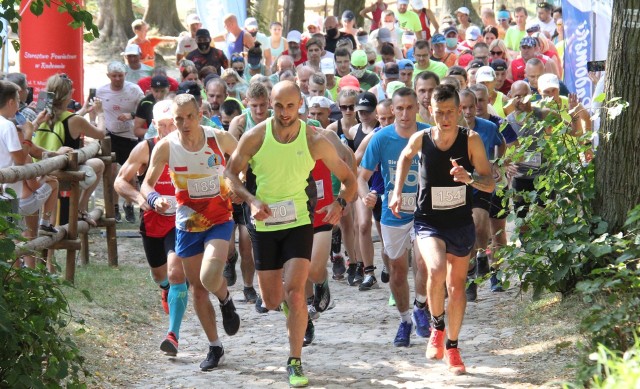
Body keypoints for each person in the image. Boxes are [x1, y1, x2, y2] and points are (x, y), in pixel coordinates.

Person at [224, 80, 356, 388]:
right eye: (279, 106)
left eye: (291, 106)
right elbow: (230, 173)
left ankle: (295, 359)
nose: (285, 112)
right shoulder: (255, 136)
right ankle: (292, 311)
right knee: (271, 299)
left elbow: (348, 178)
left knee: (297, 291)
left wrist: (340, 203)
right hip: (264, 224)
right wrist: (251, 198)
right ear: (270, 104)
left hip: (298, 220)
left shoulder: (314, 139)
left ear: (300, 106)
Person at [390, 84, 495, 375]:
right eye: (439, 113)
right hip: (428, 220)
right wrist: (397, 191)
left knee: (456, 287)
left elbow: (490, 182)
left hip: (460, 222)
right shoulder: (422, 138)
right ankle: (437, 326)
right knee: (435, 270)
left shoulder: (471, 141)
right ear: (430, 111)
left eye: (450, 112)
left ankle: (452, 345)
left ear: (460, 111)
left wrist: (469, 178)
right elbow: (404, 157)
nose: (445, 118)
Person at [141, 94, 241, 371]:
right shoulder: (166, 146)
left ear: (199, 115)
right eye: (178, 119)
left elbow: (246, 159)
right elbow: (146, 184)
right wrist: (154, 200)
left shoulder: (218, 139)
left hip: (220, 218)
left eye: (189, 117)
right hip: (187, 224)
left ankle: (224, 299)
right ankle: (215, 345)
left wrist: (239, 182)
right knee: (197, 288)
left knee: (210, 274)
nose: (184, 124)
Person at [114, 99, 189, 355]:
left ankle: (173, 335)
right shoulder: (145, 149)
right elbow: (120, 182)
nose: (166, 131)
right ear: (154, 125)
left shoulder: (189, 146)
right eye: (162, 126)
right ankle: (166, 288)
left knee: (177, 272)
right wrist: (139, 199)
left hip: (182, 220)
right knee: (161, 276)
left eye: (172, 125)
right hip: (154, 221)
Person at [359, 87, 432, 346]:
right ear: (392, 110)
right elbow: (361, 176)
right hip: (394, 212)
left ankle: (421, 306)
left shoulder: (429, 134)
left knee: (424, 262)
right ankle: (405, 320)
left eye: (409, 108)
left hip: (425, 211)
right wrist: (365, 195)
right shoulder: (381, 139)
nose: (403, 113)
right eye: (399, 108)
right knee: (398, 272)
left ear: (417, 108)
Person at [0, 80, 59, 268]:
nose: (18, 105)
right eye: (17, 101)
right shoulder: (7, 126)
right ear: (10, 102)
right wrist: (27, 136)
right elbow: (19, 158)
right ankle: (15, 286)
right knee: (11, 243)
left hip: (8, 191)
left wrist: (32, 125)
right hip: (9, 194)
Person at [95, 61, 143, 223]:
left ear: (125, 75)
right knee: (112, 172)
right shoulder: (101, 91)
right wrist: (95, 126)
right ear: (108, 76)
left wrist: (131, 115)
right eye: (114, 76)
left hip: (129, 136)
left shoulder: (134, 90)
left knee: (130, 173)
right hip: (110, 136)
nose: (117, 79)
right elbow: (94, 110)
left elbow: (145, 109)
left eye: (120, 76)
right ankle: (114, 207)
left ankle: (128, 204)